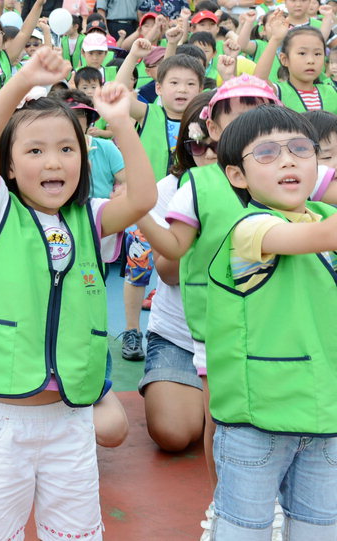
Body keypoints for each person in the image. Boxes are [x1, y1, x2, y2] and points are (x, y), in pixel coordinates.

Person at [0, 47, 156, 541]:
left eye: (66, 149)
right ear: (8, 167)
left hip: (71, 417)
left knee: (74, 532)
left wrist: (121, 124)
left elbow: (142, 198)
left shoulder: (90, 219)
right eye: (34, 151)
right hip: (2, 419)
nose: (53, 161)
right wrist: (22, 80)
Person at [208, 105, 337, 539]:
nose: (288, 160)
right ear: (236, 176)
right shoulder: (250, 228)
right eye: (266, 153)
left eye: (301, 149)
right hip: (258, 420)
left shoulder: (320, 216)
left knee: (320, 530)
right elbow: (319, 238)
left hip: (326, 416)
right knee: (243, 531)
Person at [136, 92, 214, 451]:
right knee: (173, 434)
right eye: (197, 144)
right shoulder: (170, 190)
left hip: (249, 336)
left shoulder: (268, 191)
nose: (209, 153)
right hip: (180, 335)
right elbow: (168, 273)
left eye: (219, 143)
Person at [117, 45, 205, 180]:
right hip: (149, 195)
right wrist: (133, 55)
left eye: (190, 84)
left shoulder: (205, 119)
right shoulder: (147, 113)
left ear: (200, 90)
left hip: (191, 195)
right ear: (159, 88)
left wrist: (227, 76)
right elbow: (117, 94)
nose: (182, 89)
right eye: (174, 83)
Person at [255, 19, 337, 112]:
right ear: (284, 59)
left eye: (317, 54)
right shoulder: (279, 92)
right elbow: (259, 81)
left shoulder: (333, 91)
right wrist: (275, 39)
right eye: (302, 53)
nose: (311, 61)